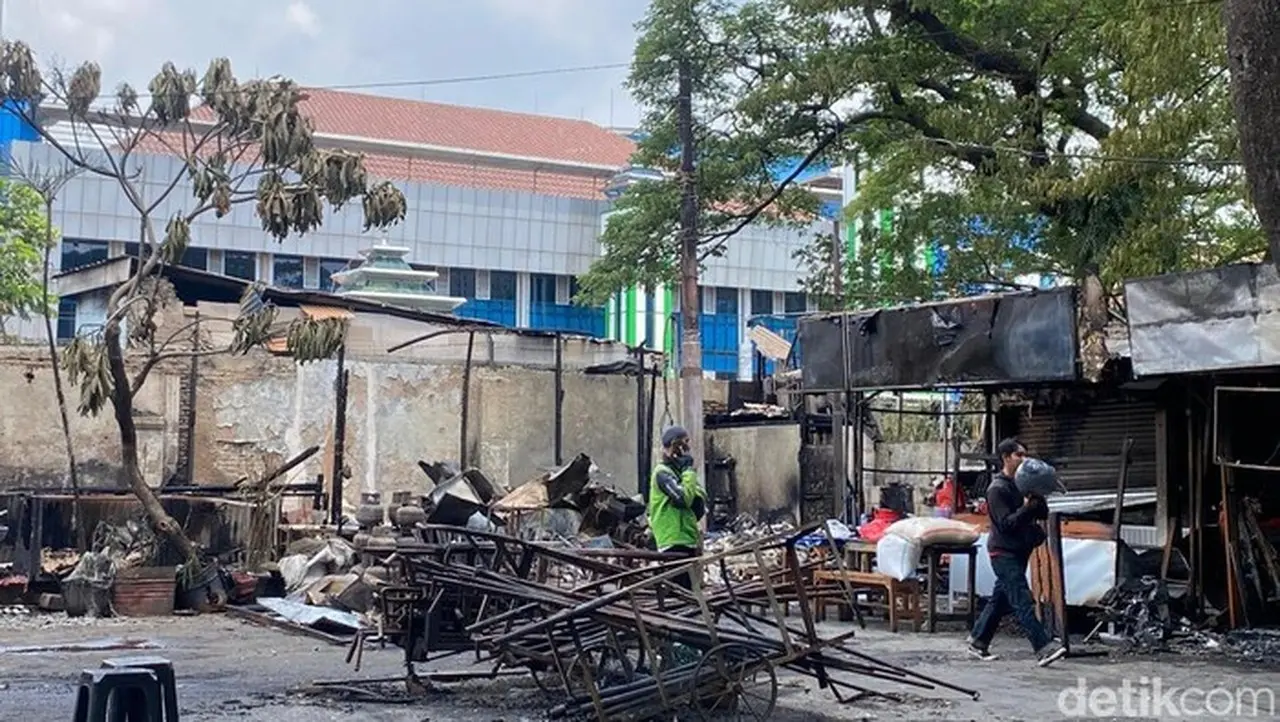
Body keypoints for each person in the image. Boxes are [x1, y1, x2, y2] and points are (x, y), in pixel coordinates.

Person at [967, 438, 1067, 667]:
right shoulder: (997, 489)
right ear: (1006, 458)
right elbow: (1006, 524)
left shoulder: (1023, 485)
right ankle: (1043, 647)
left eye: (1025, 455)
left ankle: (978, 641)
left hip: (1019, 549)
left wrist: (1037, 504)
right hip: (1003, 552)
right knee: (1022, 600)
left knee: (1000, 599)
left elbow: (1039, 514)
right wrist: (1027, 509)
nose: (1023, 460)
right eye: (1018, 455)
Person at [647, 425, 707, 591]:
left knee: (689, 591)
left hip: (687, 538)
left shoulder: (680, 473)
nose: (686, 450)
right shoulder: (663, 473)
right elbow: (683, 499)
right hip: (673, 539)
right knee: (678, 592)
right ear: (673, 447)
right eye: (682, 445)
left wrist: (688, 476)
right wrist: (688, 472)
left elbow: (700, 497)